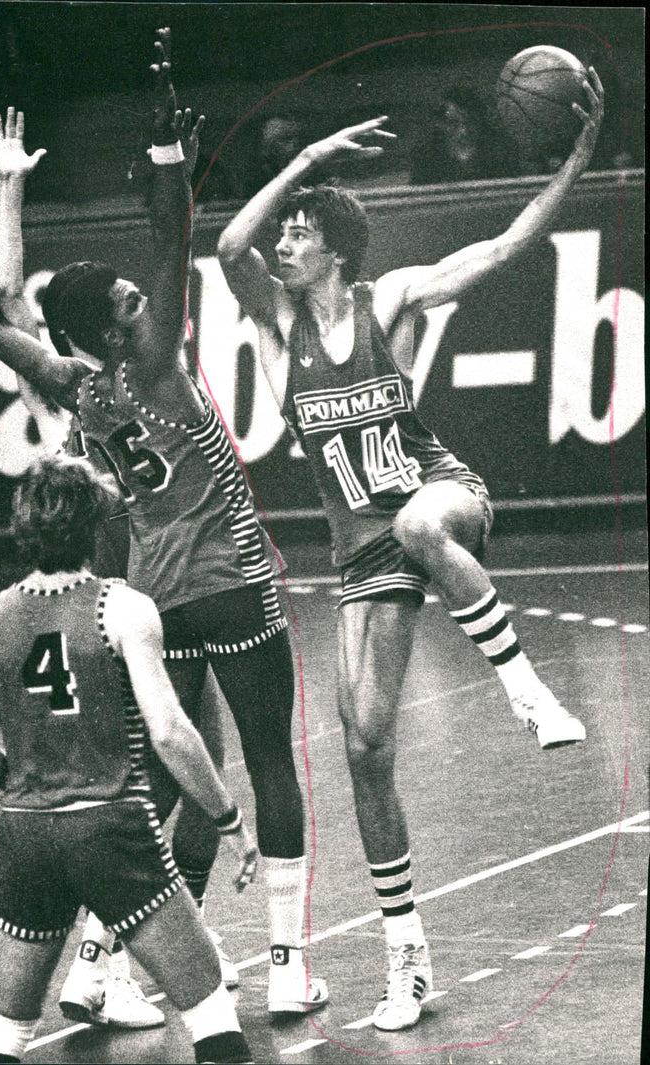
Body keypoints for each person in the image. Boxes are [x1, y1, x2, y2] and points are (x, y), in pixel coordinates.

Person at [0, 28, 327, 1017]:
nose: (141, 299)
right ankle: (290, 965)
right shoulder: (160, 362)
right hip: (232, 582)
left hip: (158, 603)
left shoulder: (75, 389)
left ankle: (101, 968)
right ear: (116, 328)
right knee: (266, 767)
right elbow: (172, 237)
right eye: (129, 302)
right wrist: (168, 150)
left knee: (172, 781)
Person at [216, 68, 603, 1031]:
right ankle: (408, 956)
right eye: (286, 232)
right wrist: (305, 158)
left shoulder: (389, 301)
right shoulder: (277, 329)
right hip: (364, 554)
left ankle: (526, 688)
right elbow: (227, 244)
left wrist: (576, 164)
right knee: (364, 747)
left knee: (421, 522)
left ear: (335, 251)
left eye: (300, 231)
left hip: (444, 498)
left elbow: (508, 245)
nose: (283, 241)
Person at [0, 103, 231, 1028]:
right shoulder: (86, 385)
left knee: (143, 787)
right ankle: (127, 963)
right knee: (182, 782)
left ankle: (100, 966)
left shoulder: (69, 384)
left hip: (110, 610)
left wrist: (11, 187)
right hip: (119, 612)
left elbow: (5, 299)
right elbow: (13, 303)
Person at [0, 453, 257, 1065]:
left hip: (26, 838)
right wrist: (228, 820)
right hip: (116, 834)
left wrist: (37, 788)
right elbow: (172, 733)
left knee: (3, 1035)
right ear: (99, 526)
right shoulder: (123, 609)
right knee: (211, 1016)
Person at [410, 80, 517, 185]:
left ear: (480, 121)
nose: (464, 131)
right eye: (453, 123)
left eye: (470, 123)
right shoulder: (427, 157)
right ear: (440, 123)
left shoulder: (499, 152)